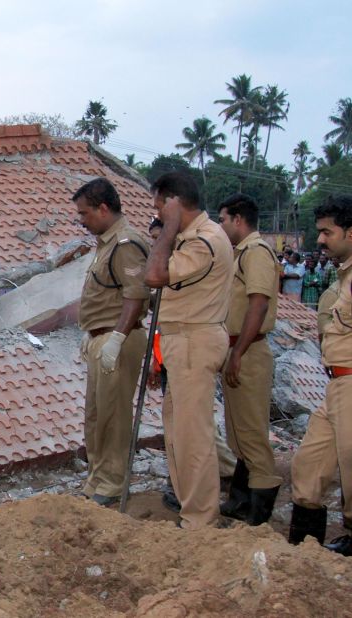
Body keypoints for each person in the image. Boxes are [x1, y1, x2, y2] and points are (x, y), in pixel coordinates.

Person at [144, 171, 234, 529]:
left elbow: (154, 275)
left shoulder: (203, 241)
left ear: (174, 202)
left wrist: (168, 228)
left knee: (193, 437)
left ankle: (200, 519)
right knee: (179, 433)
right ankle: (190, 510)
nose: (158, 214)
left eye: (160, 207)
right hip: (181, 341)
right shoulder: (190, 237)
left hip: (195, 340)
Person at [74, 178, 150, 506]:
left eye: (85, 213)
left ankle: (113, 480)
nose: (81, 220)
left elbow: (135, 296)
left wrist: (116, 338)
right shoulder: (106, 243)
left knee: (114, 415)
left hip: (119, 339)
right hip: (100, 337)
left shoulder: (125, 243)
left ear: (103, 209)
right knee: (95, 415)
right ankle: (98, 475)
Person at [288, 195, 352, 554]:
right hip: (337, 385)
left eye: (328, 232)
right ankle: (303, 553)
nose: (321, 241)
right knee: (309, 465)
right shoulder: (342, 278)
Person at [216, 194, 282, 525]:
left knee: (252, 432)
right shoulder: (240, 253)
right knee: (238, 430)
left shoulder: (256, 252)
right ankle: (241, 501)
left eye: (223, 219)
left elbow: (258, 304)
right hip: (237, 346)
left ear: (238, 219)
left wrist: (238, 353)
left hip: (249, 349)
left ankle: (259, 512)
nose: (220, 225)